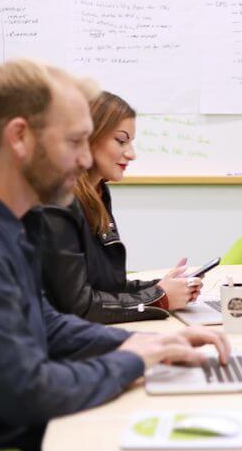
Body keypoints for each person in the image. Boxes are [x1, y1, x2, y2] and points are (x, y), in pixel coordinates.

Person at [0, 60, 229, 451]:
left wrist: (148, 342)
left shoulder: (12, 219)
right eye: (75, 141)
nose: (85, 160)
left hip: (8, 427)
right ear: (20, 137)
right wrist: (134, 359)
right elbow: (29, 392)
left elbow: (45, 324)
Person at [40, 91, 199, 323]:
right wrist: (159, 298)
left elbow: (105, 285)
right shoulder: (56, 201)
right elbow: (77, 305)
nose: (131, 154)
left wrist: (163, 287)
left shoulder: (97, 192)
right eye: (121, 140)